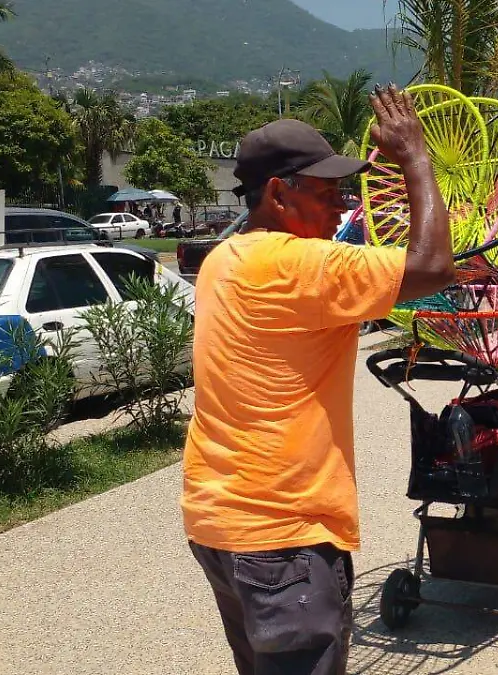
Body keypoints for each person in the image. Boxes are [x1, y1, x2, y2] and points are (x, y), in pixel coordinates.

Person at [181, 85, 454, 675]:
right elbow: (433, 266)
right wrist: (414, 156)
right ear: (279, 194)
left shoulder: (223, 259)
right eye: (328, 194)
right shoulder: (297, 264)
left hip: (218, 522)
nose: (341, 208)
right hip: (284, 537)